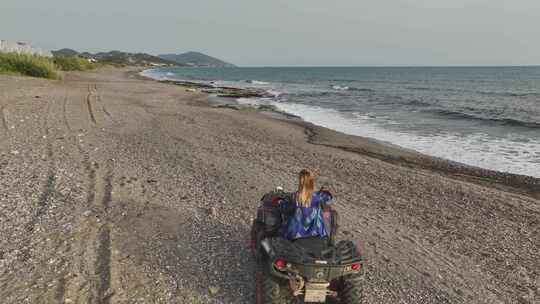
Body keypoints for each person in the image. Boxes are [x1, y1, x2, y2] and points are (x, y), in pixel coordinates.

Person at [280, 169, 333, 242]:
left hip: (294, 234)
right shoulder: (318, 197)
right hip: (316, 233)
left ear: (300, 182)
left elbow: (284, 208)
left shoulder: (294, 197)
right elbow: (328, 198)